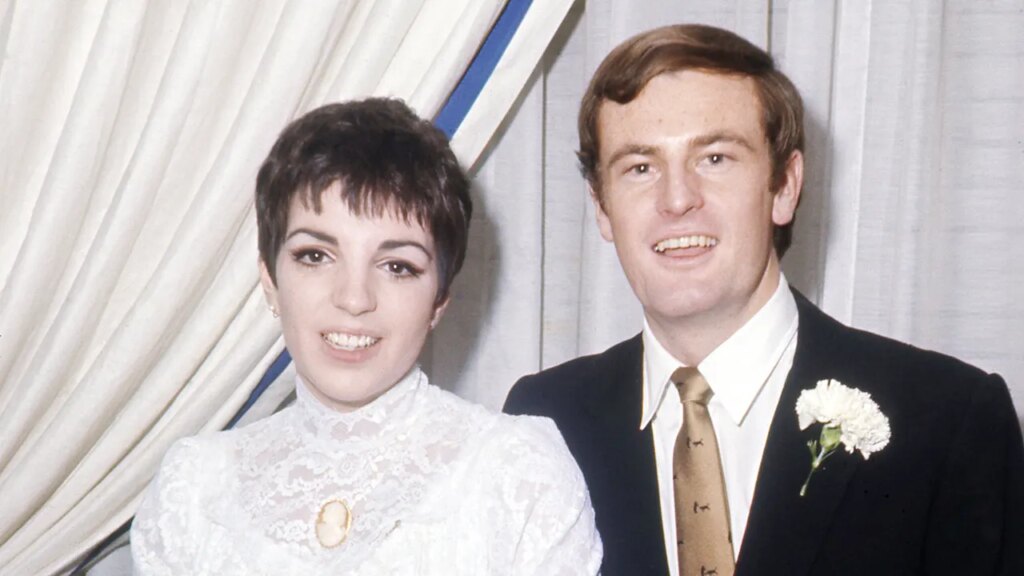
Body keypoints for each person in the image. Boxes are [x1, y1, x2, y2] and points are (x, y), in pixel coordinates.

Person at [504, 23, 1024, 576]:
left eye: (715, 159)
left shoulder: (948, 421)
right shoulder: (545, 421)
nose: (676, 199)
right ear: (602, 208)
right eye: (640, 168)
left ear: (785, 187)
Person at [131, 98, 602, 574]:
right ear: (270, 279)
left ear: (439, 300)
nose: (354, 298)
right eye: (316, 256)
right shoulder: (192, 490)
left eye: (397, 266)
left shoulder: (517, 474)